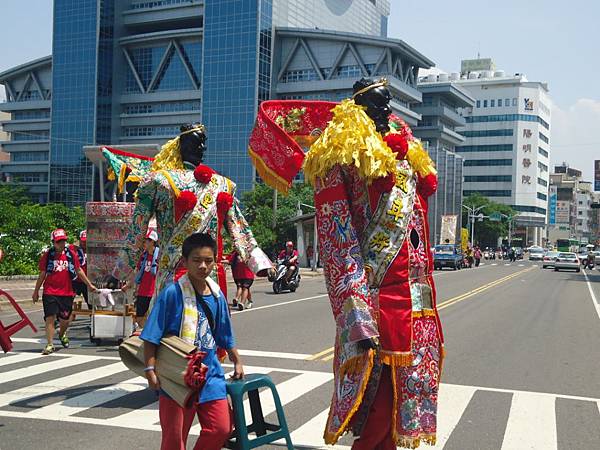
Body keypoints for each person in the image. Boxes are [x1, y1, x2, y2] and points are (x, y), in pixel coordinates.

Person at [248, 78, 444, 448]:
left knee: (398, 410)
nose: (386, 109)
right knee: (375, 411)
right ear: (358, 107)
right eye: (377, 103)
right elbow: (339, 241)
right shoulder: (337, 155)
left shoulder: (408, 152)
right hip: (375, 296)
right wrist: (356, 315)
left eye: (389, 102)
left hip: (416, 298)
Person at [110, 123, 271, 306]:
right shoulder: (159, 181)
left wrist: (259, 263)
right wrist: (120, 271)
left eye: (204, 143)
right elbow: (137, 230)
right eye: (197, 142)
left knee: (211, 327)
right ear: (182, 144)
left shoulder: (222, 185)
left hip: (210, 276)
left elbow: (239, 230)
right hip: (172, 271)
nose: (202, 148)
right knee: (171, 328)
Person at [140, 232, 244, 450]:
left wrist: (237, 360)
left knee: (221, 428)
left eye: (208, 260)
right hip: (176, 377)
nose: (203, 266)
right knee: (174, 440)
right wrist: (150, 369)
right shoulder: (172, 294)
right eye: (196, 260)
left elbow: (224, 334)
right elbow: (151, 335)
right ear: (185, 261)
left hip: (209, 374)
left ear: (215, 262)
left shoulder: (217, 295)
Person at [32, 229, 98, 355]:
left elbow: (78, 270)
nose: (61, 244)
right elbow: (42, 274)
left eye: (63, 241)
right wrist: (36, 291)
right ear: (53, 242)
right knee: (50, 317)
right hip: (50, 291)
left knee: (65, 320)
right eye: (58, 242)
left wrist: (89, 284)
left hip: (66, 291)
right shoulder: (48, 255)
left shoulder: (71, 254)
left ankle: (62, 334)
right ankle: (50, 344)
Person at [123, 229, 160, 328]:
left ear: (152, 242)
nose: (144, 243)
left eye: (146, 241)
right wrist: (128, 285)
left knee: (154, 318)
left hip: (155, 293)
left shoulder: (160, 256)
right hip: (143, 292)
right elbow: (137, 271)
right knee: (139, 318)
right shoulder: (143, 256)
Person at [72, 230, 90, 308]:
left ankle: (93, 317)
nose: (84, 243)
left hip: (87, 280)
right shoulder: (73, 249)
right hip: (75, 280)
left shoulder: (93, 250)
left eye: (86, 241)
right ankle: (62, 317)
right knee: (68, 300)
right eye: (83, 241)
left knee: (90, 302)